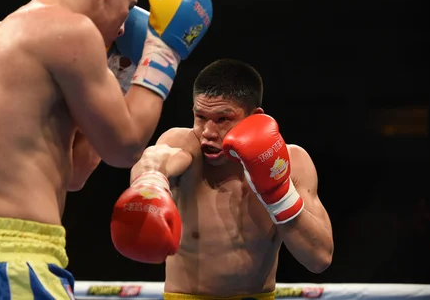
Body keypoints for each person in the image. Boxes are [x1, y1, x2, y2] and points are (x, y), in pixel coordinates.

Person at [0, 0, 213, 300]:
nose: (123, 27)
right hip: (17, 265)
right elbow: (127, 145)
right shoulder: (71, 30)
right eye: (128, 6)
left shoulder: (2, 36)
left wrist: (120, 76)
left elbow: (75, 171)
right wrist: (163, 52)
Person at [111, 59, 334, 300]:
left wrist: (279, 195)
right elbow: (156, 158)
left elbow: (320, 258)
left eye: (222, 119)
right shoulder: (185, 145)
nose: (207, 132)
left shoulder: (292, 162)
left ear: (255, 117)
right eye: (200, 117)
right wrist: (151, 181)